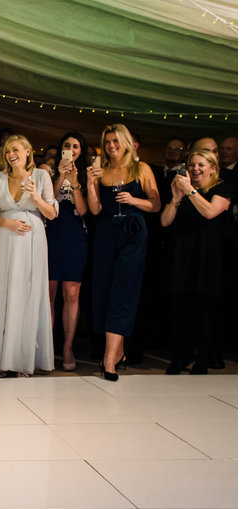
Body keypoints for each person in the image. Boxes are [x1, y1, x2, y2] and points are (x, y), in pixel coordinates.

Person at [85, 124, 160, 381]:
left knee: (123, 292)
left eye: (116, 141)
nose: (111, 146)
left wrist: (134, 201)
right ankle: (118, 351)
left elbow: (155, 204)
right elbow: (94, 210)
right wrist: (90, 182)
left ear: (127, 142)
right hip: (106, 232)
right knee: (104, 290)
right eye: (107, 142)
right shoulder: (101, 170)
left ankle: (109, 360)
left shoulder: (142, 169)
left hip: (133, 232)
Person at [0, 135, 59, 377]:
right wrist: (5, 222)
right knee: (3, 292)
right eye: (7, 151)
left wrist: (35, 196)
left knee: (27, 293)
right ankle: (1, 359)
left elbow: (53, 213)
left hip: (32, 241)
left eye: (15, 150)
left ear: (27, 151)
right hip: (5, 239)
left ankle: (24, 360)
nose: (10, 155)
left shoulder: (41, 176)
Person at [159, 150, 231, 375]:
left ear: (212, 168)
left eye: (201, 165)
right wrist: (176, 199)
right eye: (192, 165)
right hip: (182, 256)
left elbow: (210, 212)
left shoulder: (222, 189)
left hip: (208, 258)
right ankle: (179, 358)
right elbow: (164, 221)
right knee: (180, 309)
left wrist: (189, 191)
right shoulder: (184, 193)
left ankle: (202, 360)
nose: (195, 169)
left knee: (205, 310)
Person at [46, 132, 89, 371]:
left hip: (75, 236)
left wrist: (74, 181)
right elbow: (47, 203)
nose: (71, 150)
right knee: (49, 294)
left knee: (71, 295)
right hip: (52, 234)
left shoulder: (84, 174)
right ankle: (48, 347)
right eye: (66, 145)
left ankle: (68, 348)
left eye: (75, 146)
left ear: (81, 150)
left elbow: (83, 210)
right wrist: (60, 176)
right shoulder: (49, 172)